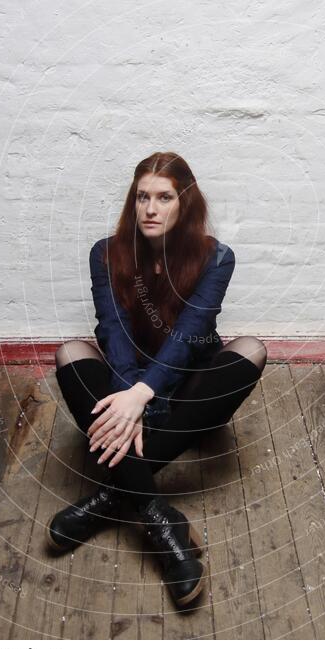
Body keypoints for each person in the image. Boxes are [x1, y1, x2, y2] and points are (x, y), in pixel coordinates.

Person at [47, 151, 267, 609]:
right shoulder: (106, 253)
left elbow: (190, 336)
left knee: (252, 349)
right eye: (142, 196)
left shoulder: (216, 258)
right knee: (70, 352)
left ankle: (108, 498)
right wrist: (130, 395)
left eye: (164, 197)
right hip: (125, 381)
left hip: (187, 384)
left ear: (184, 203)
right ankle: (157, 516)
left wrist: (145, 394)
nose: (150, 208)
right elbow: (112, 329)